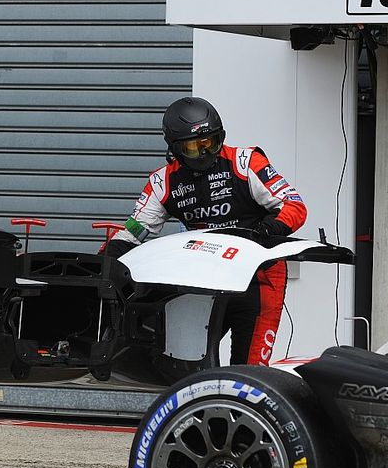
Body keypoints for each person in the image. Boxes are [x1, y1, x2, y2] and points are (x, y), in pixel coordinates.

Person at [102, 96, 307, 366]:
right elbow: (132, 232)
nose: (204, 152)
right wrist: (104, 264)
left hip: (259, 279)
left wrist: (267, 229)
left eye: (209, 142)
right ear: (175, 148)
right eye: (193, 146)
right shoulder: (162, 182)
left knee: (250, 368)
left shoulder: (245, 163)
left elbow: (294, 206)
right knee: (182, 362)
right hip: (204, 279)